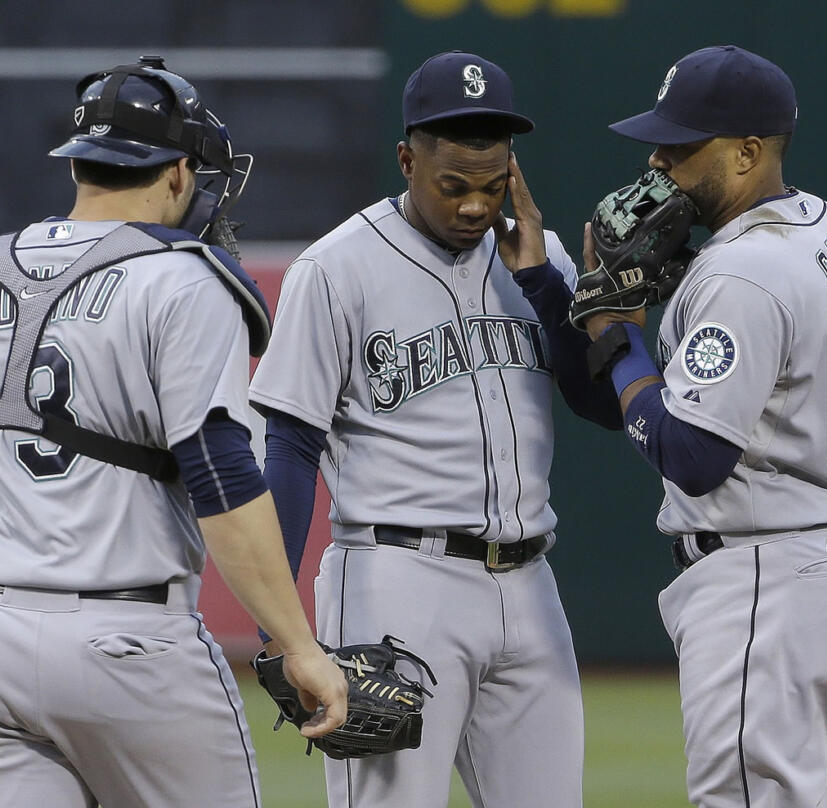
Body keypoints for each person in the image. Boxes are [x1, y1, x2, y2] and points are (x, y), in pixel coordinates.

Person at [0, 56, 347, 808]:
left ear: (82, 164)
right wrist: (298, 644)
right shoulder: (181, 277)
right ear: (178, 171)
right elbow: (222, 477)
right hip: (131, 642)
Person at [578, 45, 827, 807]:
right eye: (657, 142)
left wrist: (618, 338)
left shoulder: (740, 274)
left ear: (748, 151)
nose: (658, 162)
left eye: (680, 145)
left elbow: (692, 456)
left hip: (771, 588)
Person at [248, 51, 619, 808]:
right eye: (453, 186)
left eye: (492, 185)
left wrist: (546, 285)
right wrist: (282, 626)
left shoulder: (532, 263)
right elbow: (288, 446)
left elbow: (598, 404)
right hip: (397, 585)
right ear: (407, 159)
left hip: (529, 583)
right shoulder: (337, 269)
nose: (475, 207)